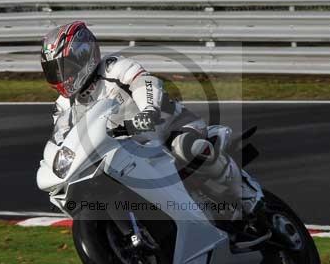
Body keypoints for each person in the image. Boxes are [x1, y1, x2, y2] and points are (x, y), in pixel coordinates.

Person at [40, 20, 261, 220]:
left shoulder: (113, 67)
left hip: (170, 125)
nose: (63, 77)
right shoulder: (64, 104)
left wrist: (148, 110)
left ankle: (244, 191)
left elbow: (144, 82)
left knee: (186, 148)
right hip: (123, 149)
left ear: (83, 55)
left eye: (66, 68)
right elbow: (62, 137)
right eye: (55, 71)